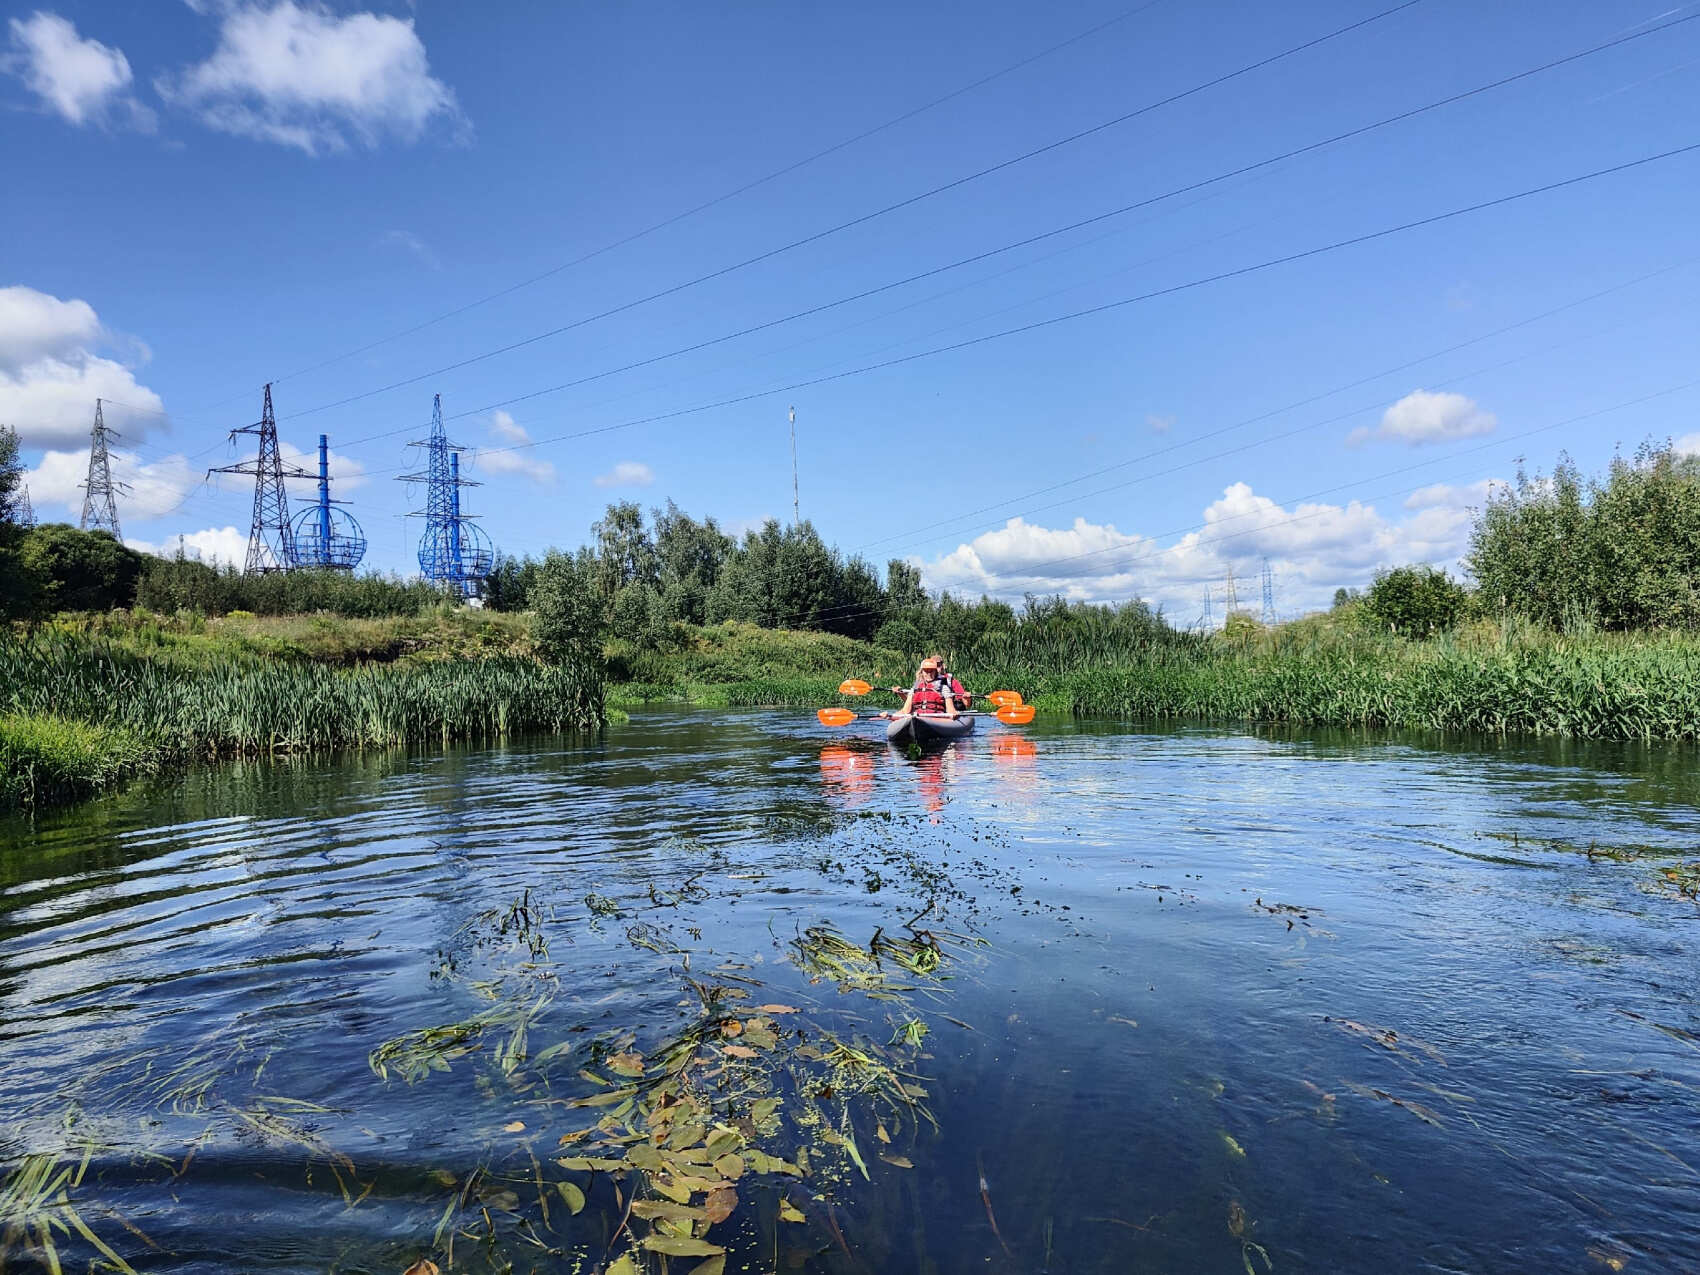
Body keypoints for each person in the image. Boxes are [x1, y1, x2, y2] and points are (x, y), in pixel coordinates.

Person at [883, 657, 957, 719]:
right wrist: (889, 716)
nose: (929, 673)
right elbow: (905, 711)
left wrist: (953, 714)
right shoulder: (915, 688)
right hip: (917, 718)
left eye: (931, 671)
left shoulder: (943, 688)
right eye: (926, 671)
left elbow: (951, 710)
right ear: (922, 672)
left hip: (936, 719)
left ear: (936, 672)